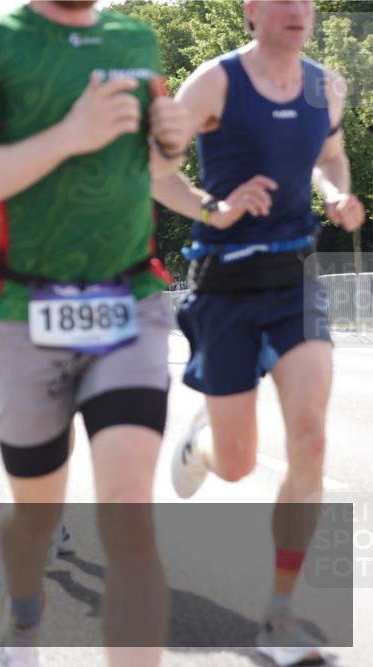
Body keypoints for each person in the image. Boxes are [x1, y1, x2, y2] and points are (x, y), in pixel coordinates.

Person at [0, 1, 188, 665]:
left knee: (130, 515)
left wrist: (172, 143)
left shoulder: (136, 39)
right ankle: (24, 615)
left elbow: (155, 169)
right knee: (36, 519)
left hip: (128, 299)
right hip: (24, 310)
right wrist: (69, 134)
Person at [151, 2, 366, 664]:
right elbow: (156, 171)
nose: (297, 8)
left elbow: (332, 156)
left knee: (311, 436)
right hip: (226, 286)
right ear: (252, 11)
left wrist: (334, 192)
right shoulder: (215, 84)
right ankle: (205, 445)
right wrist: (214, 207)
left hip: (296, 280)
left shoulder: (326, 86)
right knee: (240, 461)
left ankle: (278, 615)